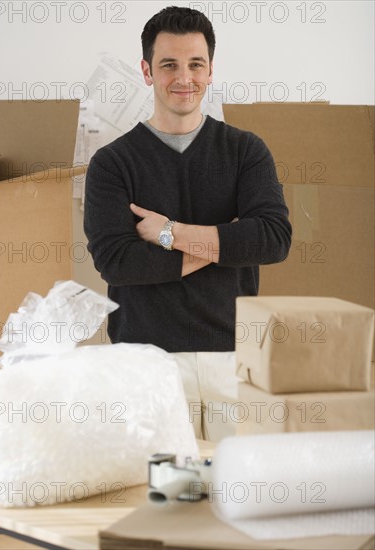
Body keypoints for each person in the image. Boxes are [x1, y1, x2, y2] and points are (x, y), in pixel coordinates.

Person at [84, 6, 292, 441]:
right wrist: (226, 243)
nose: (185, 78)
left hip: (232, 359)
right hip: (146, 361)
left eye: (196, 64)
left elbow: (272, 240)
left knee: (237, 494)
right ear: (146, 71)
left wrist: (167, 233)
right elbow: (117, 262)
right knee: (160, 501)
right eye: (169, 65)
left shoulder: (245, 151)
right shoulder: (112, 163)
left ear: (211, 69)